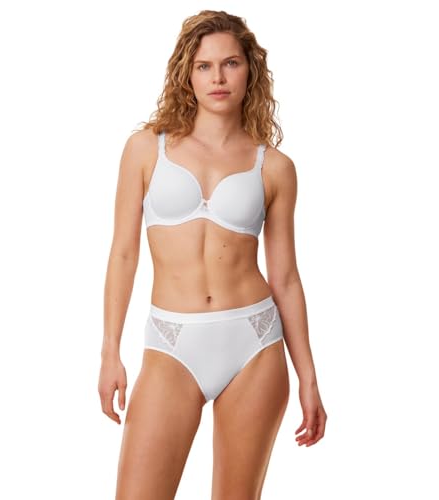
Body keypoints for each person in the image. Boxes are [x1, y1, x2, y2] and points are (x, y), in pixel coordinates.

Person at [98, 9, 327, 500]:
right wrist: (110, 351)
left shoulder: (275, 167)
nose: (218, 78)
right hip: (171, 342)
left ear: (250, 70)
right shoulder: (146, 149)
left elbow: (286, 278)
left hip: (254, 342)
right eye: (204, 66)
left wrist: (308, 377)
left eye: (230, 63)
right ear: (188, 73)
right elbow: (123, 254)